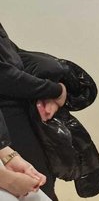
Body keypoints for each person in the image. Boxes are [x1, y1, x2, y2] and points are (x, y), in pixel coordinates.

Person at [0, 23, 67, 200]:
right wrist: (54, 90)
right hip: (9, 118)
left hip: (13, 120)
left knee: (39, 181)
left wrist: (51, 74)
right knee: (35, 185)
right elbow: (6, 76)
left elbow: (13, 56)